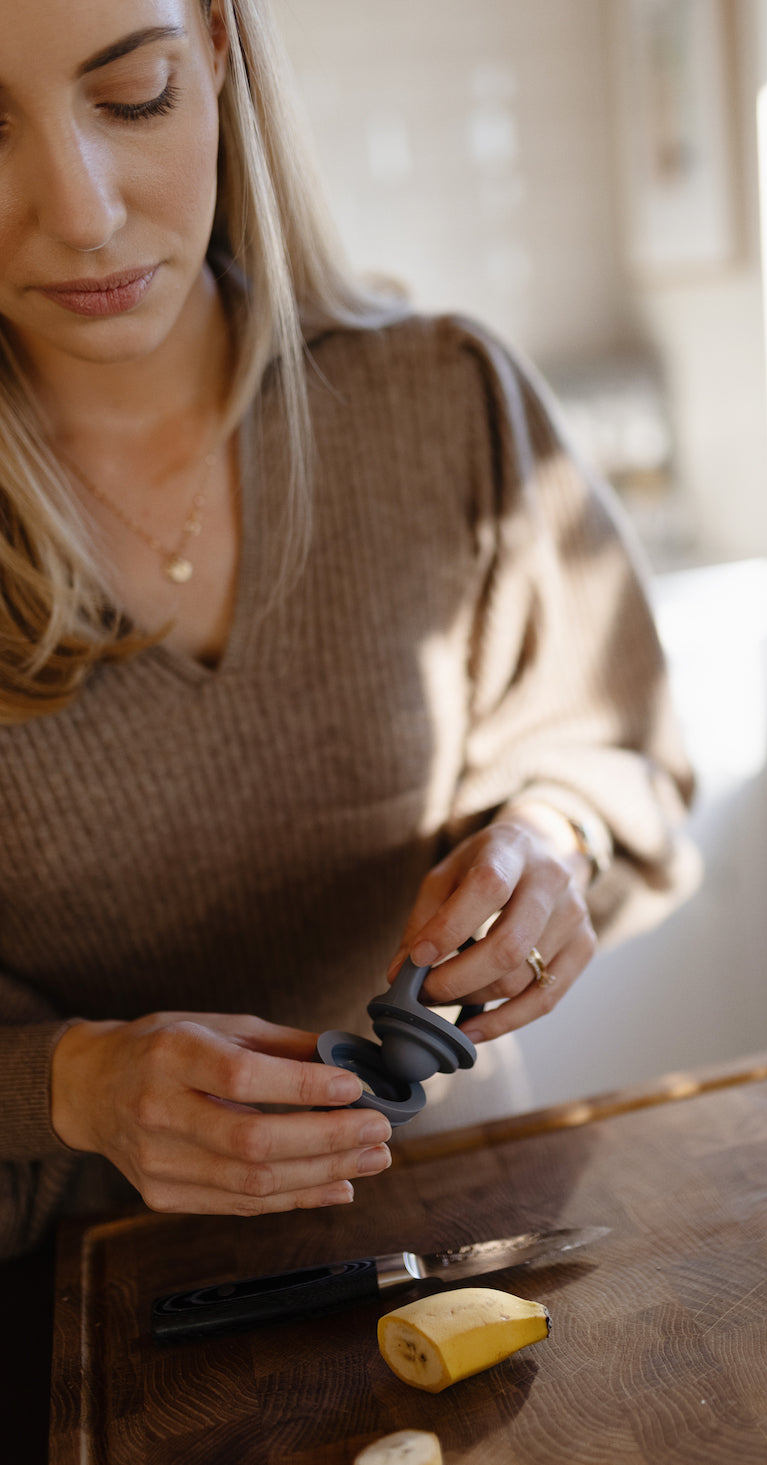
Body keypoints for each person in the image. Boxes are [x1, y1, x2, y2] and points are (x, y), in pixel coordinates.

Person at [0, 0, 698, 1259]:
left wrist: (555, 837)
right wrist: (76, 1084)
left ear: (216, 49)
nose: (84, 211)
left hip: (474, 1247)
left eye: (134, 96)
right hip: (99, 1320)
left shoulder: (443, 400)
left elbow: (615, 755)